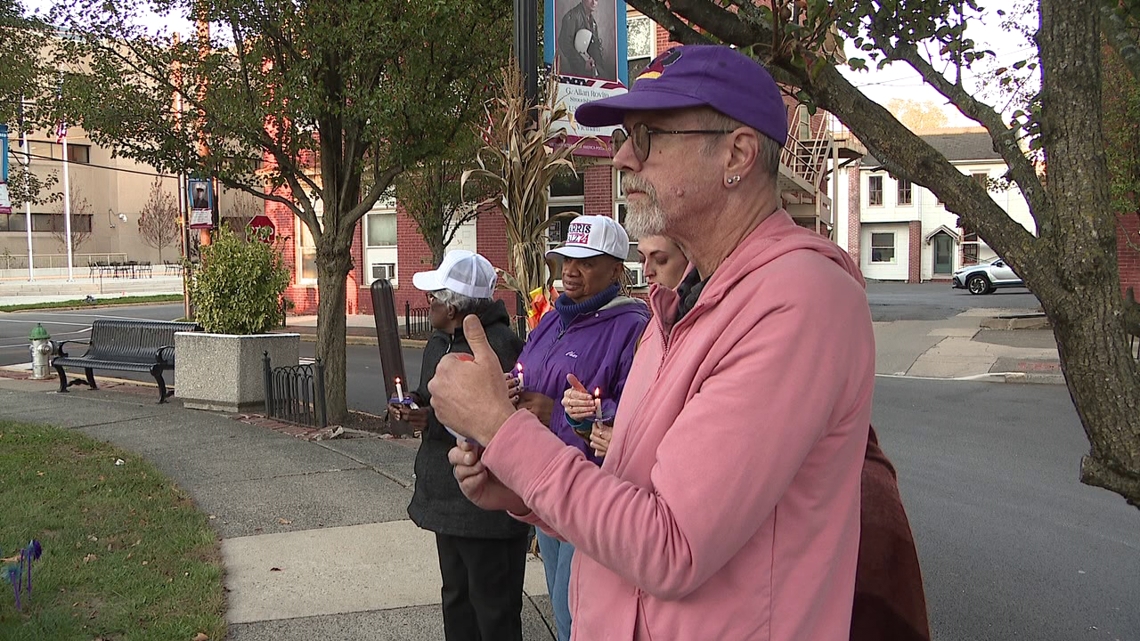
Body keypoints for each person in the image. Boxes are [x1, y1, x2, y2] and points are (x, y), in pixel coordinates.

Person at [429, 45, 875, 641]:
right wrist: (514, 481)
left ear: (737, 154)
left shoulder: (797, 300)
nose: (621, 157)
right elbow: (629, 489)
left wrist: (503, 431)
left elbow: (670, 545)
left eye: (647, 136)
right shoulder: (678, 304)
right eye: (624, 137)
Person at [507, 214, 648, 641]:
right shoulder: (553, 319)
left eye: (586, 263)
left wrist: (558, 413)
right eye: (566, 259)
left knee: (577, 615)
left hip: (588, 492)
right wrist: (510, 388)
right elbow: (526, 371)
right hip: (542, 482)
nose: (570, 271)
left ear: (616, 270)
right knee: (560, 604)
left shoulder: (633, 326)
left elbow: (641, 414)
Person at [387, 250, 530, 641]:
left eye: (434, 296)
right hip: (445, 496)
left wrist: (431, 420)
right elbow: (431, 393)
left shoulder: (498, 346)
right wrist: (413, 404)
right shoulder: (439, 342)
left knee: (493, 607)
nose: (427, 302)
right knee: (455, 598)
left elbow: (495, 419)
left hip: (486, 505)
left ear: (453, 308)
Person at [557, 0, 612, 80]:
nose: (593, 2)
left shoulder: (593, 22)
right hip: (574, 73)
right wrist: (582, 64)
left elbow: (595, 48)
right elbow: (565, 44)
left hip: (591, 70)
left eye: (596, 0)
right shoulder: (572, 16)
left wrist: (599, 67)